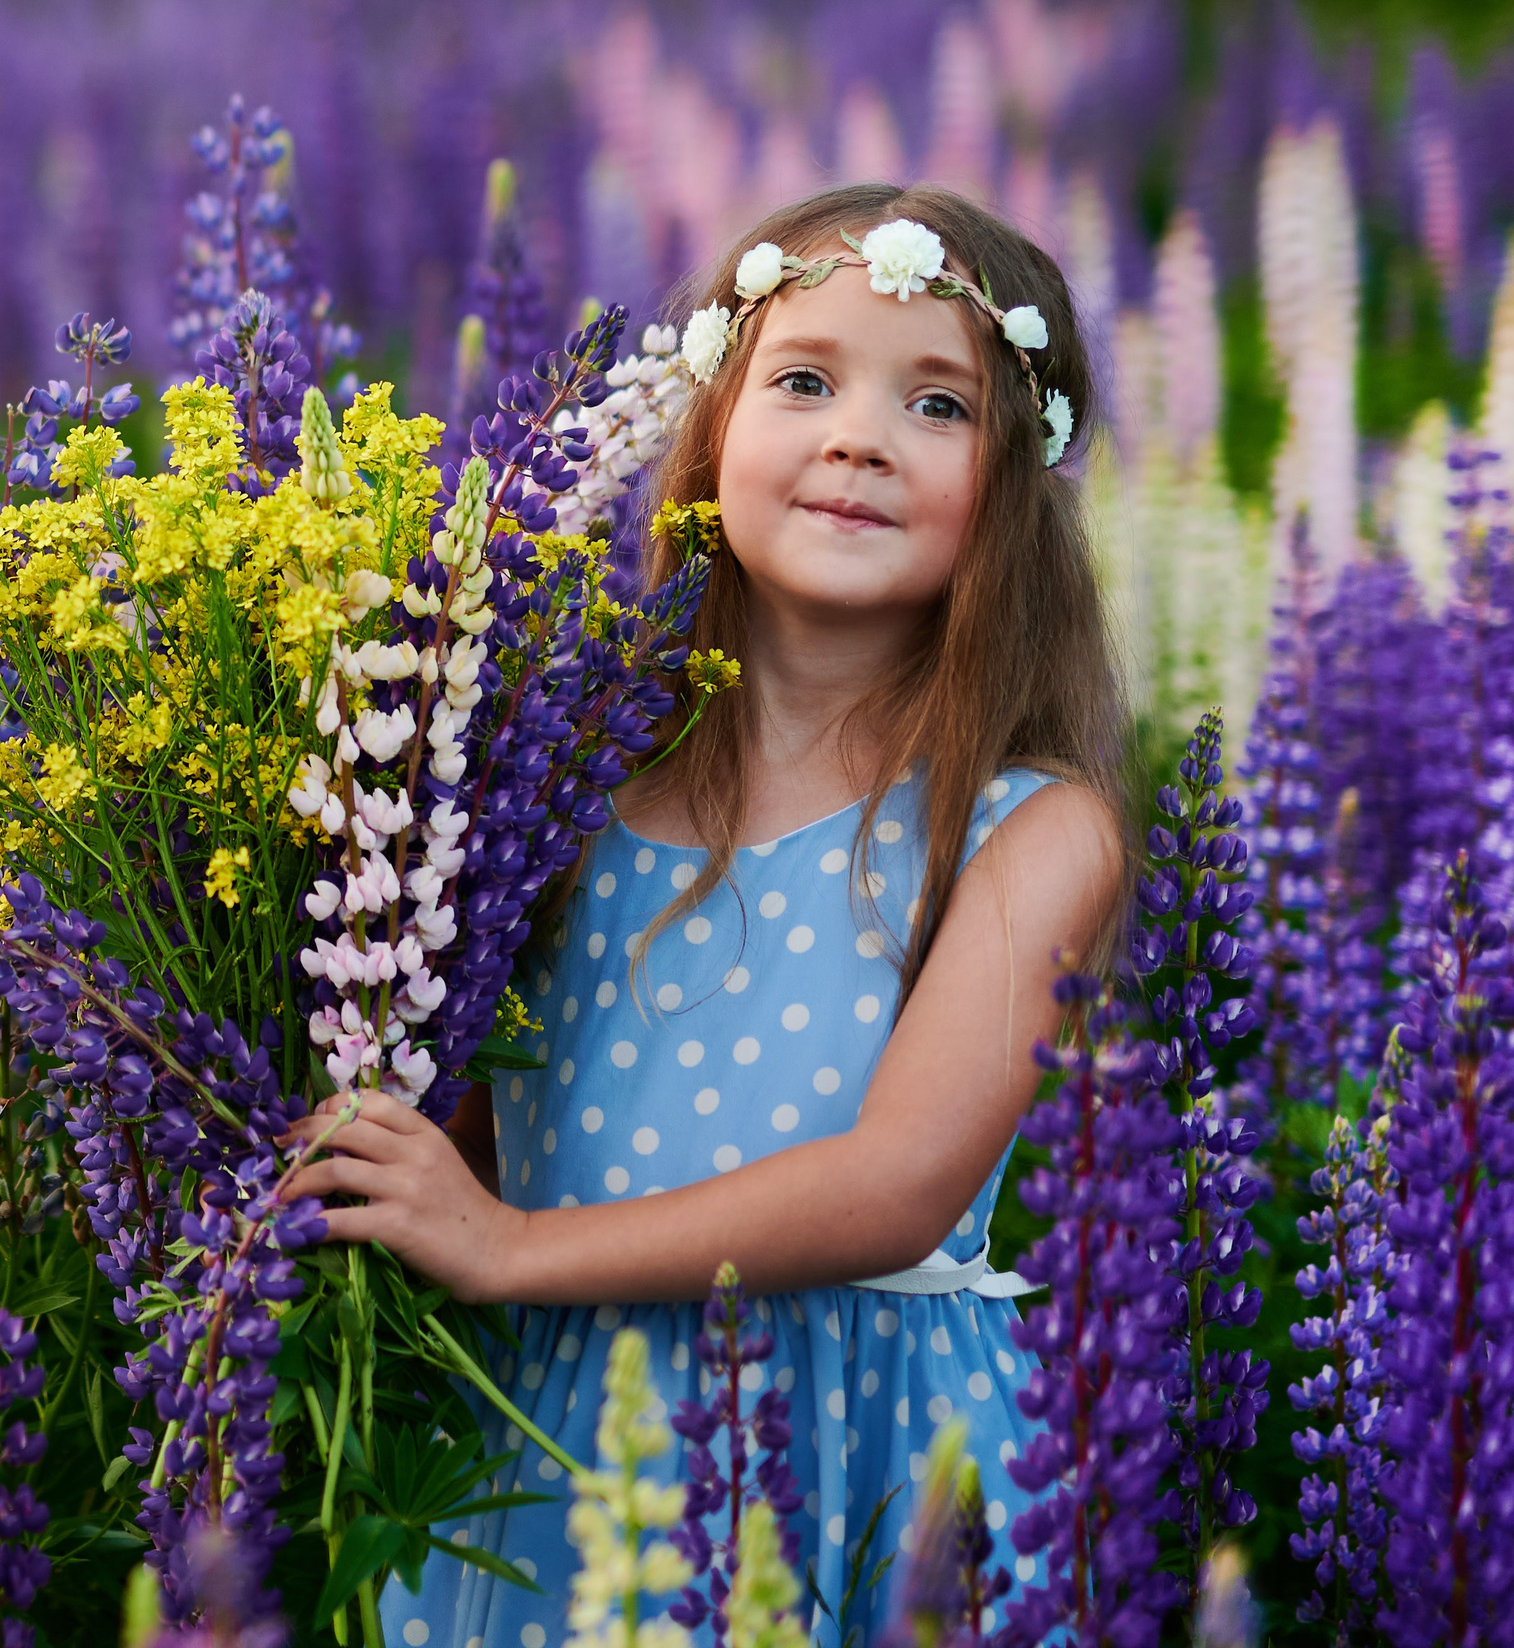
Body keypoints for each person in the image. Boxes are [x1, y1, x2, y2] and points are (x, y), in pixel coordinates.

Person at [285, 182, 1131, 1648]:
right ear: (712, 431)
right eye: (805, 381)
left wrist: (502, 1248)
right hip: (557, 1445)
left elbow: (895, 1184)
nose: (859, 436)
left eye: (938, 406)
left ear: (1013, 485)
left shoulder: (1031, 830)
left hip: (861, 1445)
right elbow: (492, 1103)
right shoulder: (562, 787)